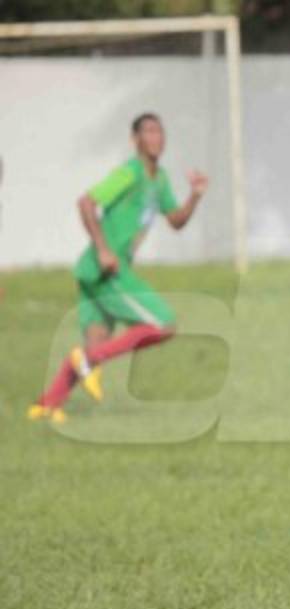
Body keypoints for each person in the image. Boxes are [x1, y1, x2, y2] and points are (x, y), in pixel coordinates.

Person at [28, 113, 207, 423]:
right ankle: (85, 361)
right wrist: (103, 250)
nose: (155, 137)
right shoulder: (130, 172)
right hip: (107, 268)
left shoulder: (159, 178)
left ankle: (46, 406)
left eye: (159, 131)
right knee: (163, 325)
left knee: (93, 344)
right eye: (147, 131)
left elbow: (176, 220)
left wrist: (195, 195)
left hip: (93, 269)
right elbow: (86, 202)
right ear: (134, 139)